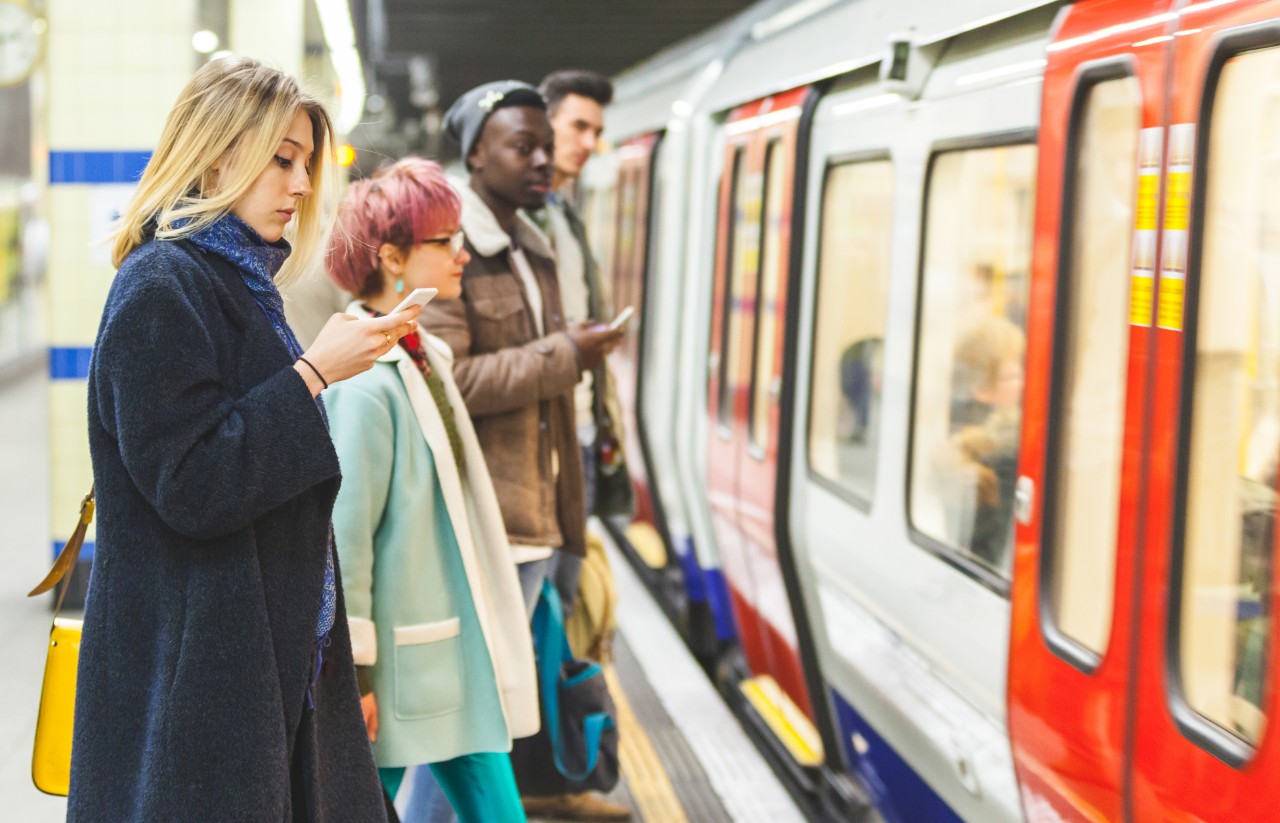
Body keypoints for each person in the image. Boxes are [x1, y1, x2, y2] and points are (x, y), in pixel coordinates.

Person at [71, 57, 420, 821]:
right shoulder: (162, 285)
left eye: (305, 164)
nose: (300, 186)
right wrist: (314, 374)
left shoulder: (234, 281)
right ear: (219, 153)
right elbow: (193, 482)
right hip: (199, 677)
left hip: (256, 657)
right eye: (281, 159)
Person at [421, 80, 629, 823]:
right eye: (524, 146)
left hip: (534, 516)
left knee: (486, 719)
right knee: (466, 722)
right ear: (477, 152)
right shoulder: (454, 250)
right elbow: (452, 377)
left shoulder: (532, 243)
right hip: (489, 524)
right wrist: (564, 353)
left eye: (548, 145)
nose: (544, 160)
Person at [323, 157, 539, 822]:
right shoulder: (365, 385)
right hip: (401, 665)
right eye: (444, 241)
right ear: (391, 257)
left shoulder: (423, 352)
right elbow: (346, 537)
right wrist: (354, 674)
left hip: (444, 653)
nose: (463, 254)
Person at [535, 69, 633, 618]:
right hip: (547, 442)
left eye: (596, 131)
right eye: (578, 126)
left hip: (582, 429)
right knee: (547, 603)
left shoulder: (564, 215)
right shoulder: (515, 221)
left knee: (565, 599)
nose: (590, 144)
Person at [937, 315, 1025, 569]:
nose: (1023, 383)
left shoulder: (961, 436)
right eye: (1011, 377)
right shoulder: (1001, 451)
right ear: (981, 390)